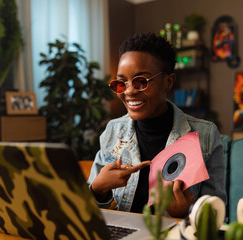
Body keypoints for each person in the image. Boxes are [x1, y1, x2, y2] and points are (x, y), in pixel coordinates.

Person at [87, 32, 227, 218]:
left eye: (141, 82)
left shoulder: (205, 135)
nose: (129, 91)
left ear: (168, 82)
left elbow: (216, 215)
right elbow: (87, 213)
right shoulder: (113, 130)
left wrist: (184, 214)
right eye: (121, 82)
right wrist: (98, 189)